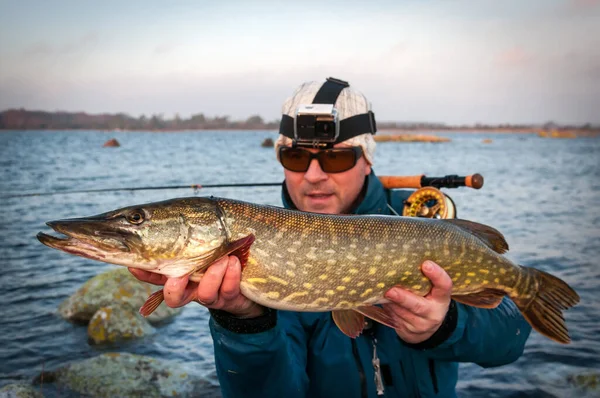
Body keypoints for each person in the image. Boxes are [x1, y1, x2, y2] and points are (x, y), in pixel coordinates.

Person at [129, 77, 532, 397]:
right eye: (296, 157)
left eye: (336, 157)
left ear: (367, 158)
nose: (315, 175)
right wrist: (243, 320)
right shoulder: (258, 250)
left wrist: (446, 324)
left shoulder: (420, 220)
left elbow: (509, 340)